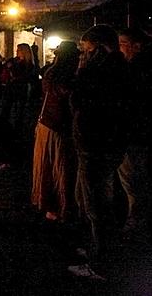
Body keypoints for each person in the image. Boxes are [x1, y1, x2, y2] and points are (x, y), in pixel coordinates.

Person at [68, 25, 130, 281]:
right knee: (98, 200)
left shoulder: (102, 70)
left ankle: (101, 262)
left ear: (100, 47)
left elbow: (79, 97)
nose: (83, 55)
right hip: (106, 143)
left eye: (87, 50)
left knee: (97, 203)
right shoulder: (119, 67)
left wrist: (82, 71)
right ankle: (98, 247)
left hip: (96, 144)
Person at [31, 41, 79, 222]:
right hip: (57, 127)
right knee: (60, 169)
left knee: (49, 167)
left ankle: (51, 204)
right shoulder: (62, 76)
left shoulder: (52, 72)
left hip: (49, 124)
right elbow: (66, 96)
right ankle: (59, 206)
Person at [117, 27, 151, 236]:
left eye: (122, 44)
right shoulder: (135, 67)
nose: (119, 49)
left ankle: (136, 221)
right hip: (135, 132)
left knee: (133, 179)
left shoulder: (136, 69)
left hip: (135, 133)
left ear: (135, 46)